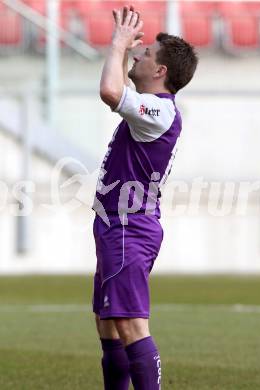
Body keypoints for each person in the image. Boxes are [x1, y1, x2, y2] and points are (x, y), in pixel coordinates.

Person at [92, 5, 198, 389]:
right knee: (109, 325)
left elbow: (110, 91)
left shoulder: (159, 109)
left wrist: (119, 44)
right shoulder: (152, 110)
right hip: (117, 225)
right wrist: (119, 50)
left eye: (147, 54)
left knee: (130, 325)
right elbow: (118, 89)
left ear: (161, 72)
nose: (140, 54)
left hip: (128, 226)